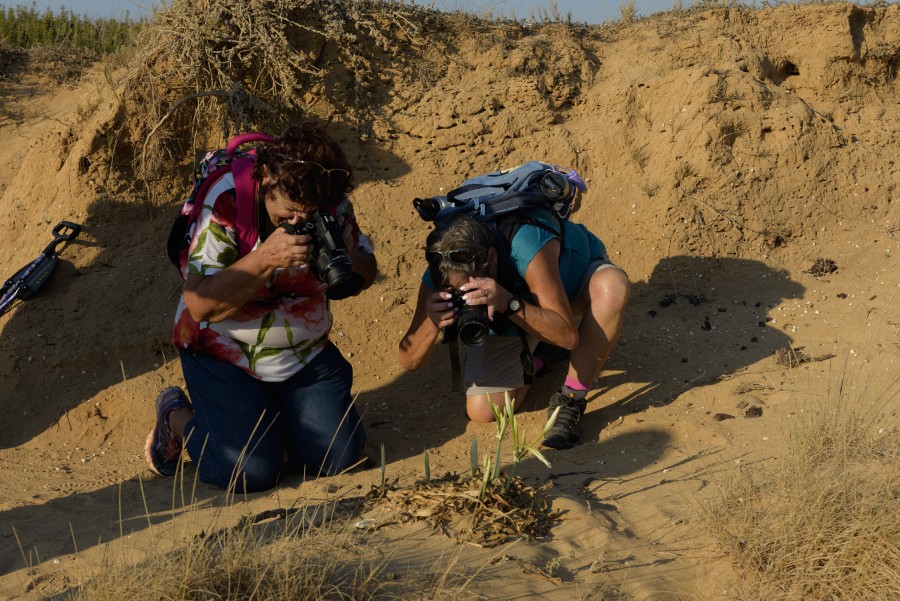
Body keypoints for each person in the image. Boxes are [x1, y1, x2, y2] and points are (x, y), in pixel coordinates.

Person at [145, 121, 377, 492]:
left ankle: (276, 423)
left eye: (309, 214)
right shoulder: (227, 201)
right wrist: (264, 259)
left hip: (303, 355)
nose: (298, 222)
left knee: (340, 459)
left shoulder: (329, 200)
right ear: (267, 178)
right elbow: (200, 304)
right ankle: (177, 417)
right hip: (225, 355)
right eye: (289, 212)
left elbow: (366, 267)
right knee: (248, 473)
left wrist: (340, 252)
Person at [398, 205, 628, 449]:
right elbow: (408, 360)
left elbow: (569, 337)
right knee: (484, 412)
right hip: (517, 307)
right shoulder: (441, 270)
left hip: (569, 284)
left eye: (470, 290)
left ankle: (572, 398)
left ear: (493, 259)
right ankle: (542, 353)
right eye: (457, 294)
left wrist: (506, 301)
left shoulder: (527, 245)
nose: (464, 297)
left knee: (612, 287)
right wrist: (433, 323)